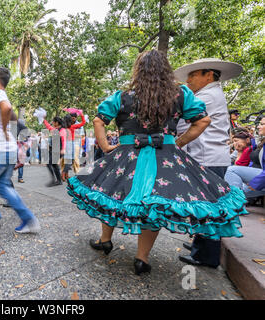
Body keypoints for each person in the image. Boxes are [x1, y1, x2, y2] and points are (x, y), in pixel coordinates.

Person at [66, 49, 248, 275]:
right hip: (165, 157)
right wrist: (177, 143)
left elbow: (98, 120)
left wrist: (104, 146)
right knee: (155, 206)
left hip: (126, 155)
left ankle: (105, 241)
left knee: (112, 194)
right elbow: (203, 121)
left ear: (138, 70)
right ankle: (141, 259)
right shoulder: (181, 94)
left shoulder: (123, 96)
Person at [175, 57, 244, 268]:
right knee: (203, 203)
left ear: (209, 75)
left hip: (208, 158)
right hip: (207, 157)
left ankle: (205, 255)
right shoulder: (210, 94)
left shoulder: (207, 96)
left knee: (207, 206)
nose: (189, 80)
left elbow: (184, 119)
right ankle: (201, 243)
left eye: (193, 75)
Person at [0, 66, 40, 234]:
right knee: (3, 186)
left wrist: (4, 130)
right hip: (8, 147)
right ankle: (28, 219)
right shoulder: (2, 95)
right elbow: (13, 116)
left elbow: (7, 110)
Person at [225, 116, 265, 194]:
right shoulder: (260, 143)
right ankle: (235, 201)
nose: (259, 126)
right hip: (260, 177)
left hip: (261, 179)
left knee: (231, 170)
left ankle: (234, 201)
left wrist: (254, 184)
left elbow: (238, 164)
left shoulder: (248, 148)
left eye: (262, 124)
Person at [43, 116, 66, 187]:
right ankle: (59, 181)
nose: (52, 123)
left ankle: (54, 180)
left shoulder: (62, 130)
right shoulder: (54, 129)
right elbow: (48, 126)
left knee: (49, 163)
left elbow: (64, 140)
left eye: (53, 121)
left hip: (59, 150)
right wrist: (43, 119)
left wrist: (63, 149)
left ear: (56, 122)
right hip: (54, 150)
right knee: (54, 164)